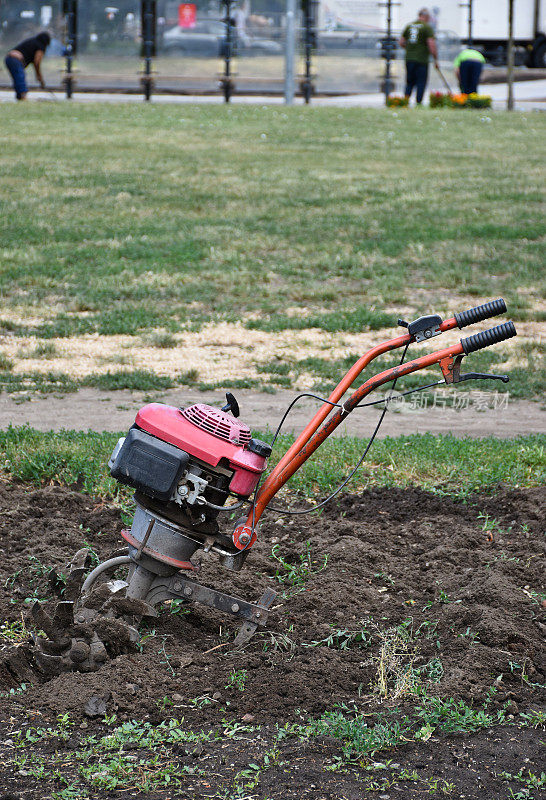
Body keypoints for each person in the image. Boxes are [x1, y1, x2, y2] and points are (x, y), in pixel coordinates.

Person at [399, 8, 438, 105]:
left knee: (409, 81)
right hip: (421, 59)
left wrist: (410, 49)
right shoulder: (427, 27)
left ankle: (405, 101)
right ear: (426, 17)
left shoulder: (409, 26)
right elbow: (431, 43)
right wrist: (435, 58)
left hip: (409, 58)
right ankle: (418, 102)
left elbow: (401, 42)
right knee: (421, 81)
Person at [4, 31, 51, 100]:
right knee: (20, 76)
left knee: (18, 77)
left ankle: (19, 96)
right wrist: (38, 75)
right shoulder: (40, 46)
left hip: (9, 58)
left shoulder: (33, 41)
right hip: (15, 59)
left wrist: (38, 75)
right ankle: (23, 96)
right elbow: (37, 62)